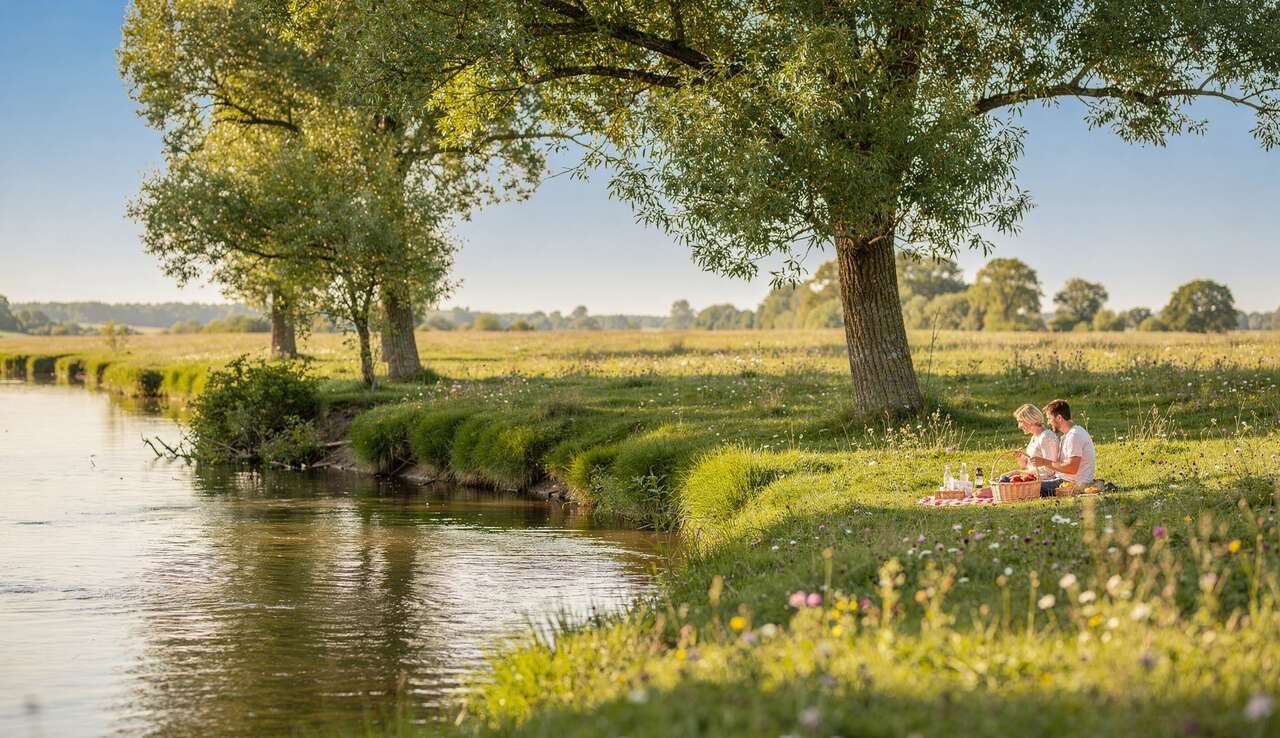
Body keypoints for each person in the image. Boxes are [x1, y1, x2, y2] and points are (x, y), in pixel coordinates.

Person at [1028, 399, 1096, 497]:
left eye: (1049, 418)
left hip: (1073, 484)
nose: (1048, 422)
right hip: (1063, 480)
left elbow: (1072, 468)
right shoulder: (1068, 435)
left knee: (1031, 488)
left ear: (1059, 417)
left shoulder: (1075, 435)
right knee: (1027, 483)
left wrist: (1044, 462)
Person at [1008, 403, 1060, 484]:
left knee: (1000, 482)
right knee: (1002, 480)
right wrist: (1020, 458)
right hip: (1032, 479)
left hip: (1043, 482)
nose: (1019, 426)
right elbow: (1027, 466)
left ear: (1030, 420)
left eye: (1020, 421)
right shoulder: (1035, 437)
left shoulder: (1046, 437)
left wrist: (1022, 473)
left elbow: (1050, 470)